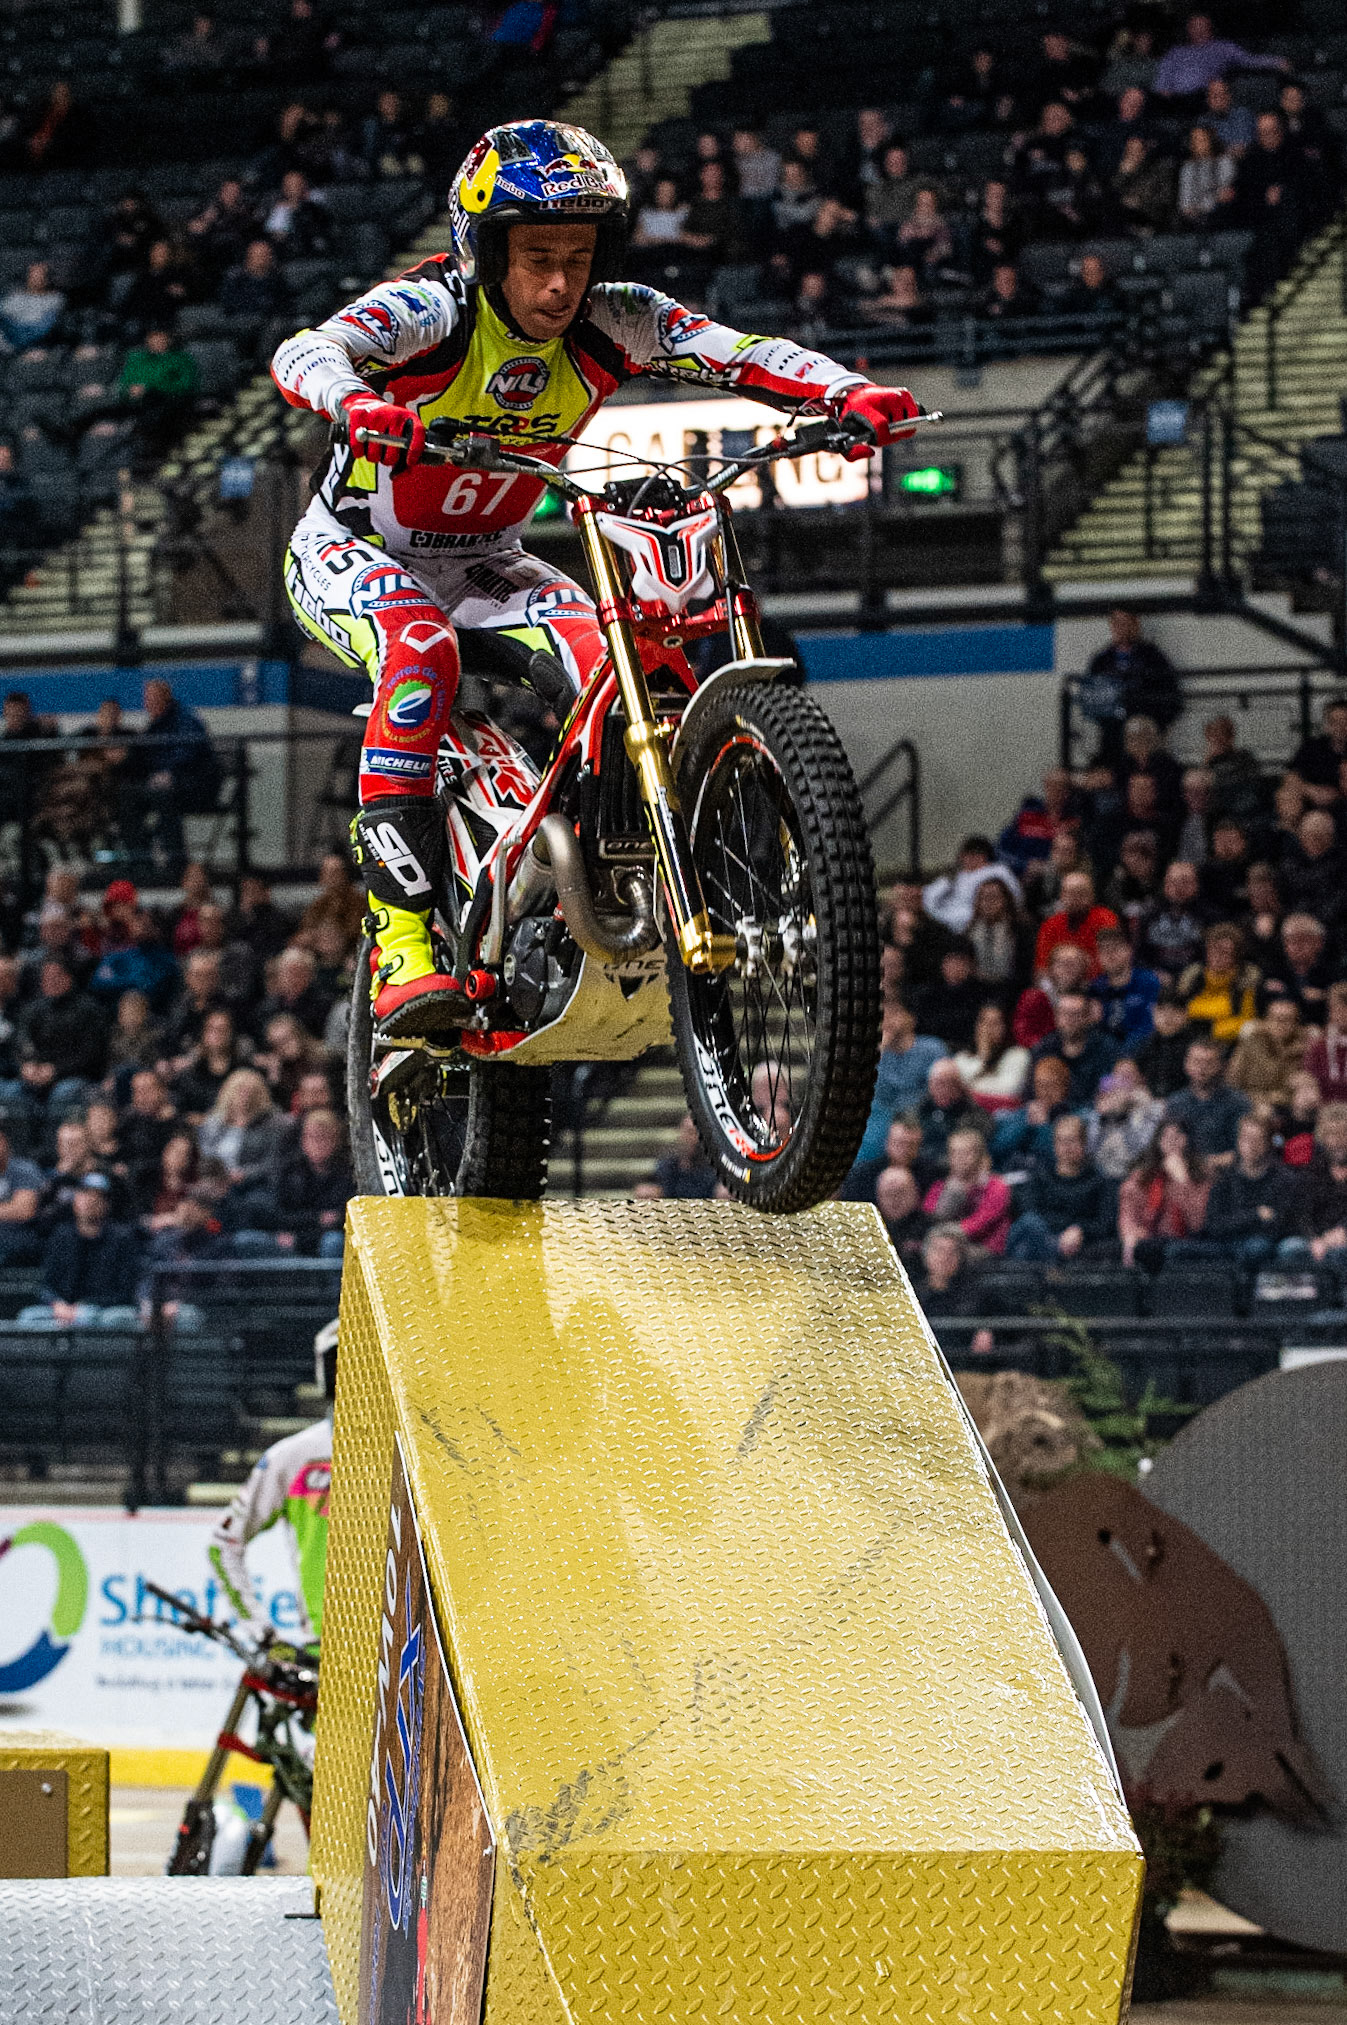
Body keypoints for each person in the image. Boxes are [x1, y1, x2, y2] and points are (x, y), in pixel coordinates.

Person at [272, 119, 921, 1039]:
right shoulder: (431, 312)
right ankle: (404, 943)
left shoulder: (617, 317)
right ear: (483, 252)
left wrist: (845, 392)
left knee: (625, 676)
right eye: (537, 258)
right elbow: (304, 351)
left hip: (489, 559)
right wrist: (356, 402)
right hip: (353, 548)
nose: (560, 284)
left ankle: (592, 882)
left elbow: (737, 349)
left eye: (578, 258)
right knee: (420, 650)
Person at [209, 1317, 334, 1640]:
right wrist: (262, 1634)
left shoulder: (413, 1452)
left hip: (404, 1647)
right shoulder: (294, 1457)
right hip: (325, 1647)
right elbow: (223, 1544)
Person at [1168, 1111, 1297, 1272]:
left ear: (1268, 1143)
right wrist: (1255, 1215)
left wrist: (1237, 1221)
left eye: (1257, 1139)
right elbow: (1214, 1224)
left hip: (1258, 1244)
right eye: (1246, 1138)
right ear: (1238, 1141)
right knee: (1176, 1250)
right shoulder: (1224, 1177)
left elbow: (1277, 1226)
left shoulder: (1284, 1178)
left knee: (1257, 1248)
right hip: (1224, 1243)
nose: (1251, 1145)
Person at [119, 678, 221, 871]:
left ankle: (176, 862)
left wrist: (169, 773)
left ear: (166, 698)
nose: (149, 703)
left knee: (163, 795)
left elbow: (190, 753)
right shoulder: (153, 726)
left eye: (154, 698)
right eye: (147, 699)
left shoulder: (186, 720)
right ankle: (141, 861)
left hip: (194, 785)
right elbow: (143, 757)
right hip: (163, 785)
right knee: (126, 795)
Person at [18, 1173, 140, 1328]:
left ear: (107, 1204)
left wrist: (83, 1306)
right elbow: (47, 1285)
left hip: (102, 1310)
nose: (91, 1201)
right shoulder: (62, 1236)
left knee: (111, 1317)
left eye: (98, 1197)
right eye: (85, 1194)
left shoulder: (121, 1239)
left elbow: (125, 1291)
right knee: (29, 1317)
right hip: (62, 1309)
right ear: (75, 1200)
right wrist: (57, 1304)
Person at [1005, 1112, 1115, 1262]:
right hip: (1042, 1236)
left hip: (1078, 1245)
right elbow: (1029, 1213)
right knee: (1029, 1225)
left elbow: (1104, 1225)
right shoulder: (1039, 1177)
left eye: (1071, 1141)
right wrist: (1069, 1227)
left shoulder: (1100, 1181)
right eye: (1060, 1141)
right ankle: (1052, 1257)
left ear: (1084, 1144)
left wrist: (1080, 1230)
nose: (1066, 1147)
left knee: (1024, 1249)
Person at [854, 1002, 946, 1164]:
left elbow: (939, 1091)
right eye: (884, 1015)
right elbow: (866, 1088)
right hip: (883, 1114)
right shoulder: (877, 1051)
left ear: (911, 1019)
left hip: (920, 1114)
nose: (888, 1019)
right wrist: (880, 1049)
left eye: (895, 1013)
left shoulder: (931, 1048)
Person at [1079, 610, 1180, 755]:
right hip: (1112, 734)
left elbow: (1171, 695)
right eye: (1117, 623)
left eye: (1126, 623)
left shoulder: (1153, 657)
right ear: (1111, 626)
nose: (1121, 628)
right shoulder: (1101, 660)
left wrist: (1156, 723)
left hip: (1145, 731)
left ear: (1136, 625)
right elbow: (1090, 698)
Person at [1118, 1120, 1210, 1269]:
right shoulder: (1143, 1177)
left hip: (1189, 1240)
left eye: (1177, 1136)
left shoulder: (1202, 1176)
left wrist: (1181, 1180)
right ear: (1158, 1142)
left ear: (1188, 1140)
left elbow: (1198, 1223)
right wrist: (1132, 1232)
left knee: (1175, 1251)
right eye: (1165, 1137)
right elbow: (1128, 1214)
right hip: (1151, 1238)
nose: (1171, 1142)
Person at [1152, 14, 1288, 102]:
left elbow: (1249, 60)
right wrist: (1163, 91)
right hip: (1175, 99)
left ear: (1210, 28)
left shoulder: (1223, 48)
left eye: (1202, 26)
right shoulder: (1176, 52)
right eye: (1194, 27)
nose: (1199, 30)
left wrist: (1277, 62)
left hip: (1204, 98)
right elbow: (1164, 75)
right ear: (1188, 30)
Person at [920, 1126, 1011, 1254]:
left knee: (945, 1253)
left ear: (979, 1156)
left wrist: (948, 1231)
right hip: (944, 1243)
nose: (959, 1158)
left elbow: (982, 1222)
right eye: (954, 1153)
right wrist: (951, 1190)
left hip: (983, 1247)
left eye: (966, 1153)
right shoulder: (941, 1185)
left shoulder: (996, 1186)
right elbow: (929, 1215)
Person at [1165, 1036, 1249, 1163]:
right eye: (1196, 1062)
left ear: (1222, 1066)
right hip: (1181, 1167)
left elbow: (1243, 1151)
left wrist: (1208, 1163)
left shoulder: (1238, 1104)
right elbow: (1165, 1146)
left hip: (1223, 1170)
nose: (1202, 1068)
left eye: (1209, 1063)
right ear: (1186, 1064)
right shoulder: (1175, 1103)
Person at [1178, 922, 1259, 1044]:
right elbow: (1179, 1012)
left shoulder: (1244, 983)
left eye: (1224, 952)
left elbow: (1248, 1024)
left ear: (1236, 956)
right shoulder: (1193, 978)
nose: (1217, 957)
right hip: (1189, 1041)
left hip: (1228, 1043)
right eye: (1213, 950)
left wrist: (1212, 1029)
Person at [1034, 871, 1119, 976]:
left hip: (1097, 981)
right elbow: (1042, 967)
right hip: (1059, 982)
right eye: (1070, 893)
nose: (1075, 898)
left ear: (1092, 895)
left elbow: (1111, 959)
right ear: (1062, 896)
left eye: (1081, 892)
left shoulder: (1105, 919)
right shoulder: (1050, 925)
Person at [952, 1001, 1030, 1114]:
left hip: (1002, 1115)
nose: (988, 1028)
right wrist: (983, 1056)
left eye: (995, 1023)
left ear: (1005, 1027)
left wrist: (969, 1089)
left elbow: (1009, 1090)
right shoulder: (961, 1058)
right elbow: (956, 1089)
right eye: (983, 1022)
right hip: (966, 1114)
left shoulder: (1018, 1055)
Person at [1090, 925, 1160, 1047]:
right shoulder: (1095, 988)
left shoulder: (1148, 982)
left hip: (1140, 1050)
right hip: (1103, 1051)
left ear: (1129, 951)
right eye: (1103, 949)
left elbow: (1149, 1027)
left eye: (1115, 948)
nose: (1109, 954)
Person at [639, 1114, 716, 1200]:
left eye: (696, 1133)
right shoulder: (668, 1164)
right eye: (688, 1132)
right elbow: (656, 1184)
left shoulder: (713, 1166)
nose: (691, 1138)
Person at [1306, 979, 1347, 1104]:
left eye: (1344, 1008)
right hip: (1324, 1106)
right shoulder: (1318, 1045)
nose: (1340, 1014)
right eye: (1335, 1008)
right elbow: (1310, 1076)